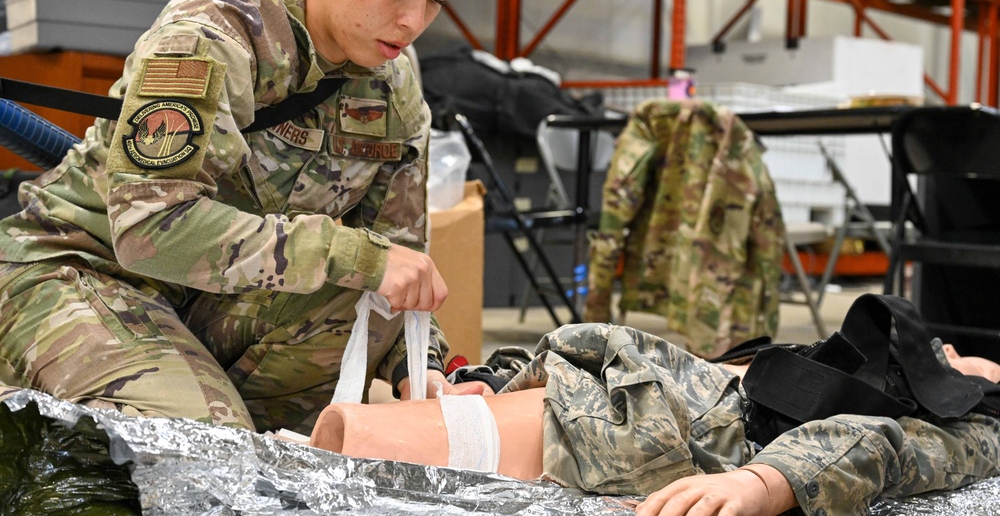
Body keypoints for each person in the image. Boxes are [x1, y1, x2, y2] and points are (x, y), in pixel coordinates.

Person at [0, 0, 480, 434]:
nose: (413, 21)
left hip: (209, 299)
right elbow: (148, 232)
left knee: (343, 324)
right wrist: (350, 254)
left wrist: (421, 367)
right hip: (89, 270)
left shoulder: (392, 87)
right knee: (207, 448)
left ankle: (236, 428)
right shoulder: (212, 36)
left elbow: (396, 260)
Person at [308, 322, 1000, 516]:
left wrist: (763, 482)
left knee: (353, 442)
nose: (958, 355)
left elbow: (875, 444)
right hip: (635, 376)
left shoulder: (977, 422)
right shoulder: (916, 362)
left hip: (640, 421)